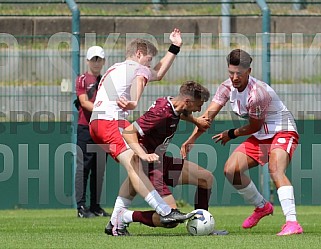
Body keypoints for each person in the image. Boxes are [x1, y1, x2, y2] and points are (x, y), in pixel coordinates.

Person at [181, 49, 303, 236]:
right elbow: (207, 117)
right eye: (231, 72)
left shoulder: (257, 94)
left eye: (239, 73)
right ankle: (262, 206)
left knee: (275, 169)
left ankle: (292, 223)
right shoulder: (226, 87)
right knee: (231, 170)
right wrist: (191, 140)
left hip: (282, 130)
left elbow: (254, 126)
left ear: (249, 71)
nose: (234, 77)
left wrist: (232, 133)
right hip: (262, 134)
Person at [89, 29, 194, 229]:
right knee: (136, 165)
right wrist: (134, 101)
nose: (149, 64)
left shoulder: (117, 68)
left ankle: (115, 223)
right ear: (138, 54)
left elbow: (157, 73)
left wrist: (175, 47)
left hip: (97, 122)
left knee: (135, 165)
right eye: (148, 59)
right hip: (111, 120)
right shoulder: (137, 68)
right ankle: (165, 211)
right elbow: (146, 76)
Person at [104, 81, 229, 236]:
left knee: (205, 178)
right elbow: (129, 132)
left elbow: (181, 113)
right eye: (199, 105)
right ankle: (125, 217)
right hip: (149, 165)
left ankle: (204, 227)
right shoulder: (160, 112)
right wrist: (143, 155)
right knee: (170, 219)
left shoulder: (172, 105)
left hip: (161, 160)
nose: (199, 109)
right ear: (188, 101)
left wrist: (196, 121)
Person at [74, 46, 110, 218]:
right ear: (88, 61)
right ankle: (81, 207)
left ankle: (95, 206)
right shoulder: (82, 79)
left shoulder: (107, 80)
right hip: (86, 128)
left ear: (103, 61)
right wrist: (103, 110)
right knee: (83, 168)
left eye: (99, 59)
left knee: (99, 169)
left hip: (103, 130)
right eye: (93, 59)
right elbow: (84, 102)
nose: (96, 62)